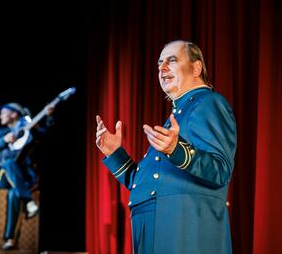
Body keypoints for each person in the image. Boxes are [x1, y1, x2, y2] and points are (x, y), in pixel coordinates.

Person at [95, 40, 236, 253]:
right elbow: (146, 184)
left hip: (182, 229)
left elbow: (220, 170)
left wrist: (176, 150)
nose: (161, 68)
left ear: (196, 67)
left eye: (172, 60)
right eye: (159, 63)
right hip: (154, 227)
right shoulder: (176, 117)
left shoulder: (208, 102)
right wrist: (115, 154)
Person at [0, 102, 54, 250]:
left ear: (14, 114)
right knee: (8, 163)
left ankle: (10, 239)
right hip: (6, 178)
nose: (0, 116)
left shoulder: (29, 128)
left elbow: (45, 134)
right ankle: (28, 202)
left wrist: (48, 117)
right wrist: (3, 141)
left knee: (14, 194)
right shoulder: (2, 133)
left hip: (27, 177)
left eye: (3, 113)